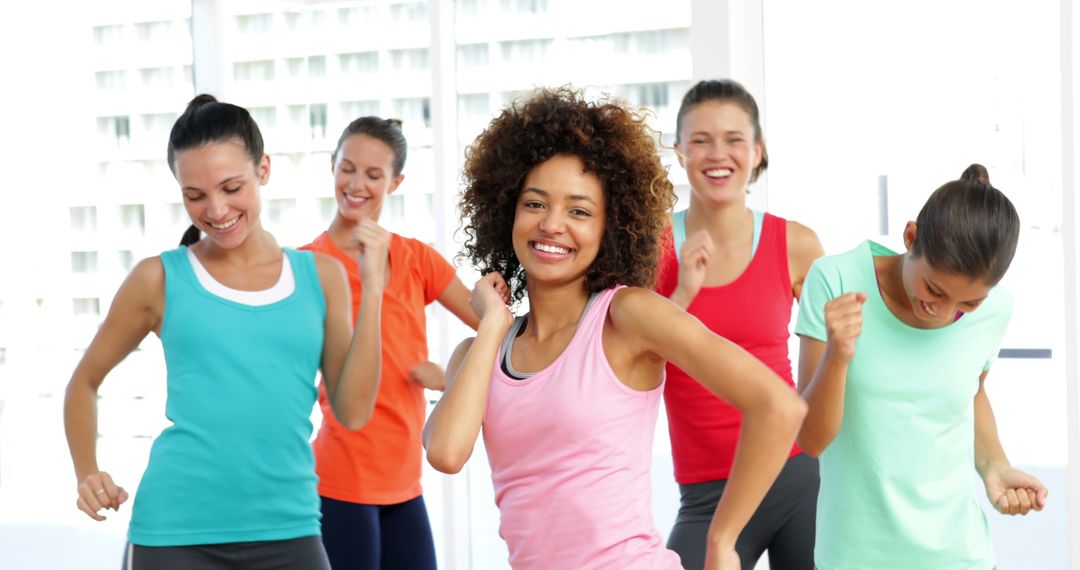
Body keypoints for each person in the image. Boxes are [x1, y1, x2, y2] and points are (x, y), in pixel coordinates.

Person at [422, 87, 807, 570]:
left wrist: (722, 541)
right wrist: (493, 323)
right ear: (508, 211)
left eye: (579, 211)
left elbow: (778, 406)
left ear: (611, 228)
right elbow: (446, 452)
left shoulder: (627, 316)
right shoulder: (479, 352)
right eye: (535, 204)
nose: (553, 225)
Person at [63, 94, 388, 570]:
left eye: (231, 187)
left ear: (264, 170)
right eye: (195, 196)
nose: (216, 210)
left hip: (290, 528)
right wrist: (86, 472)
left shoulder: (321, 276)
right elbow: (84, 381)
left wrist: (375, 288)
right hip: (173, 534)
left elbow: (355, 413)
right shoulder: (159, 278)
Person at [795, 164, 1049, 569]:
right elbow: (811, 440)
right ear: (910, 237)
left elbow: (971, 391)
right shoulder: (837, 280)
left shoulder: (997, 310)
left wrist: (995, 467)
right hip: (855, 557)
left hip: (961, 556)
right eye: (934, 289)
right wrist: (836, 357)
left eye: (968, 304)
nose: (944, 313)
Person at [655, 79, 824, 570]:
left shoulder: (796, 244)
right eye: (701, 140)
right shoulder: (653, 247)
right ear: (680, 149)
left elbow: (838, 362)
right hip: (706, 493)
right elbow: (635, 364)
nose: (717, 153)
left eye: (733, 139)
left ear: (757, 151)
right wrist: (683, 292)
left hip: (795, 476)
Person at [302, 116, 478, 569]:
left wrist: (453, 378)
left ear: (396, 182)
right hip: (340, 479)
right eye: (348, 168)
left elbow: (497, 327)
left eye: (374, 175)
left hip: (405, 481)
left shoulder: (416, 257)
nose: (356, 184)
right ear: (332, 166)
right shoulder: (308, 266)